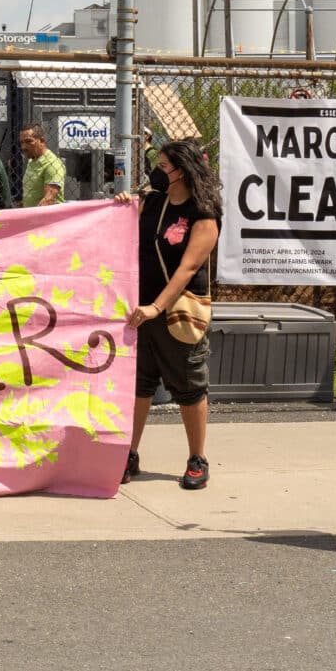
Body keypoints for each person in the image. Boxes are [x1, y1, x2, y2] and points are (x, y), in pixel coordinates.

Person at [122, 137, 221, 492]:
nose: (157, 172)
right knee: (139, 384)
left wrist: (156, 308)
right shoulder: (152, 204)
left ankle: (197, 458)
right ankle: (128, 453)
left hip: (177, 311)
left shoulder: (203, 212)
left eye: (164, 167)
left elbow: (187, 267)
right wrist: (122, 206)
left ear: (182, 170)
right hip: (140, 310)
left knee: (189, 385)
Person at [18, 125, 67, 209]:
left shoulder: (52, 164)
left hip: (47, 219)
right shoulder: (32, 160)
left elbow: (49, 200)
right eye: (22, 142)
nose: (24, 147)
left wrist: (30, 217)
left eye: (28, 141)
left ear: (41, 141)